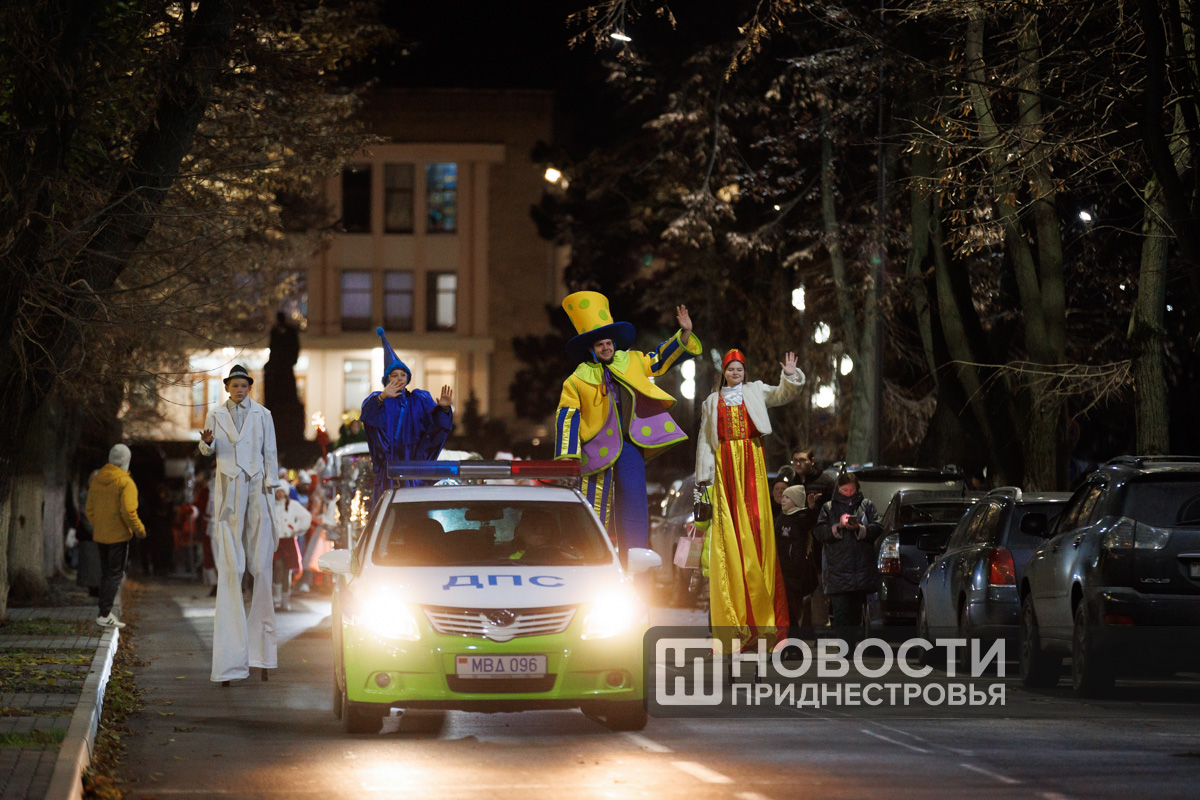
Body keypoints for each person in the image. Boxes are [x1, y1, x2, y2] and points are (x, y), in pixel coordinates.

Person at [554, 291, 700, 565]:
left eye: (609, 343)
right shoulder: (576, 380)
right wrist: (567, 457)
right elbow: (568, 416)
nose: (606, 347)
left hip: (630, 448)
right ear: (591, 349)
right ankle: (592, 565)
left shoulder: (631, 360)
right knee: (594, 510)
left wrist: (684, 335)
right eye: (600, 344)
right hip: (594, 452)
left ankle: (635, 566)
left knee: (634, 507)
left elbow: (658, 360)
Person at [696, 348, 805, 647]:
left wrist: (790, 375)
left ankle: (767, 625)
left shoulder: (755, 391)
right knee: (729, 532)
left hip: (751, 463)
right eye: (731, 369)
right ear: (724, 373)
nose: (735, 373)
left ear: (745, 372)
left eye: (739, 369)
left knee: (756, 524)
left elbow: (782, 394)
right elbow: (705, 443)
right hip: (725, 467)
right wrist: (703, 482)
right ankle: (734, 626)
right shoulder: (711, 402)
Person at [199, 364, 282, 685]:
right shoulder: (215, 414)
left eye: (244, 385)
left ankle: (261, 653)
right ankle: (230, 659)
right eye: (235, 385)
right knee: (231, 568)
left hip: (257, 484)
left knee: (261, 566)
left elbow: (269, 451)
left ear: (249, 387)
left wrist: (272, 484)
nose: (239, 390)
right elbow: (207, 448)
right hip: (229, 487)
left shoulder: (263, 414)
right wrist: (207, 443)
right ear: (227, 388)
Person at [360, 327, 454, 510]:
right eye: (394, 375)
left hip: (414, 474)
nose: (399, 378)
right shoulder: (378, 400)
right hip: (388, 476)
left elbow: (435, 427)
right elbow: (368, 416)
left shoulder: (419, 400)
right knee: (388, 514)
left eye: (403, 375)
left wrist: (443, 409)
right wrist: (383, 396)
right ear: (387, 379)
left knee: (414, 516)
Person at [813, 471, 881, 646]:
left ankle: (850, 646)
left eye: (852, 490)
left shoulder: (866, 505)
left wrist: (860, 528)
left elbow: (877, 527)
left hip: (860, 570)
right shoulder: (829, 508)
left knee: (855, 614)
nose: (849, 494)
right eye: (845, 490)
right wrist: (838, 526)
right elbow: (819, 532)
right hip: (837, 569)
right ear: (838, 489)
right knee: (841, 612)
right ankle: (845, 647)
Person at [84, 444, 147, 628]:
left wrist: (100, 525)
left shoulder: (97, 480)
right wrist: (139, 530)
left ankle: (103, 612)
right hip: (119, 536)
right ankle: (104, 613)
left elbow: (89, 509)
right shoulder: (126, 482)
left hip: (101, 535)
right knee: (115, 575)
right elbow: (129, 512)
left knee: (106, 574)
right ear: (126, 461)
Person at [791, 445, 830, 635]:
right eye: (795, 460)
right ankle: (797, 632)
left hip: (819, 545)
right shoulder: (793, 482)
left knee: (819, 589)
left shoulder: (825, 482)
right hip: (798, 545)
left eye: (802, 460)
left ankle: (821, 630)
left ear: (812, 461)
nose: (798, 464)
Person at [775, 484, 819, 644]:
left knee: (790, 610)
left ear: (796, 500)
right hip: (781, 571)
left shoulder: (800, 518)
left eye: (787, 497)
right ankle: (789, 643)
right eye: (783, 497)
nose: (783, 499)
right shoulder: (781, 517)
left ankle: (793, 644)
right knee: (784, 610)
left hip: (794, 574)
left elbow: (810, 521)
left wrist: (812, 507)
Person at [271, 485, 311, 611]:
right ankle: (276, 599)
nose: (280, 494)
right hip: (277, 542)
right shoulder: (272, 505)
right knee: (278, 568)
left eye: (282, 491)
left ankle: (285, 600)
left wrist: (295, 528)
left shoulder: (293, 505)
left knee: (287, 571)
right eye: (278, 491)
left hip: (288, 541)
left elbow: (306, 517)